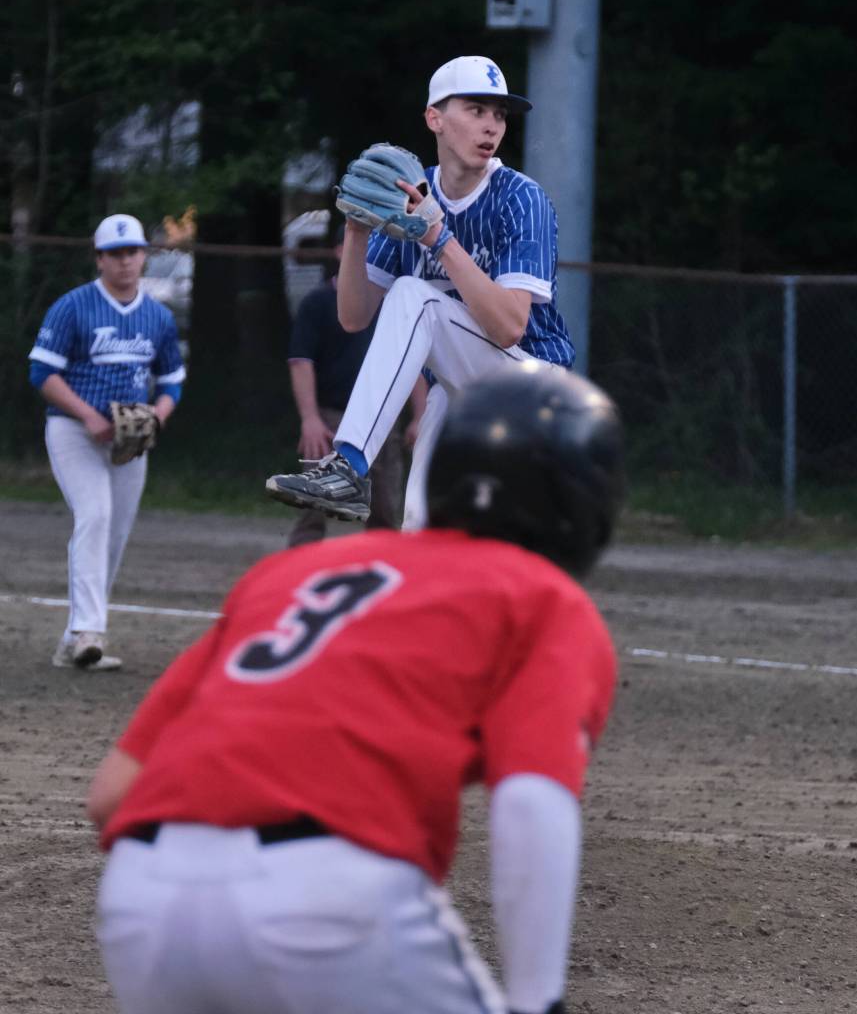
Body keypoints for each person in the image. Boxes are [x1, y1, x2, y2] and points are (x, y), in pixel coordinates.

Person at [87, 362, 624, 1014]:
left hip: (144, 900)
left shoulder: (292, 575)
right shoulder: (541, 597)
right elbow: (531, 803)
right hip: (330, 898)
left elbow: (112, 795)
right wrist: (538, 1001)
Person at [266, 55, 574, 530]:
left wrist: (439, 239)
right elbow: (354, 316)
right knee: (420, 532)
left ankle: (349, 466)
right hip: (458, 387)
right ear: (435, 118)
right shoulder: (411, 196)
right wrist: (356, 231)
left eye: (498, 114)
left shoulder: (520, 198)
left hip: (531, 385)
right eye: (476, 109)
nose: (491, 125)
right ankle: (353, 475)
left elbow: (511, 327)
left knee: (415, 295)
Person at [28, 214, 186, 671]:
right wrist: (89, 416)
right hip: (72, 430)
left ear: (144, 256)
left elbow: (172, 379)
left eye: (133, 251)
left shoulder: (157, 315)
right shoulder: (73, 306)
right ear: (99, 259)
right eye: (115, 254)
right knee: (94, 516)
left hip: (130, 440)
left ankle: (71, 640)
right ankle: (88, 632)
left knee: (113, 536)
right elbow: (42, 373)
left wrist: (158, 415)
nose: (125, 261)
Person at [285, 222, 426, 546]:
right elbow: (301, 362)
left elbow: (413, 361)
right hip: (331, 417)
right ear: (340, 251)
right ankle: (298, 573)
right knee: (311, 504)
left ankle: (383, 573)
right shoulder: (318, 303)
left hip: (383, 420)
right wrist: (310, 419)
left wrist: (420, 416)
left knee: (386, 508)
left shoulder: (394, 302)